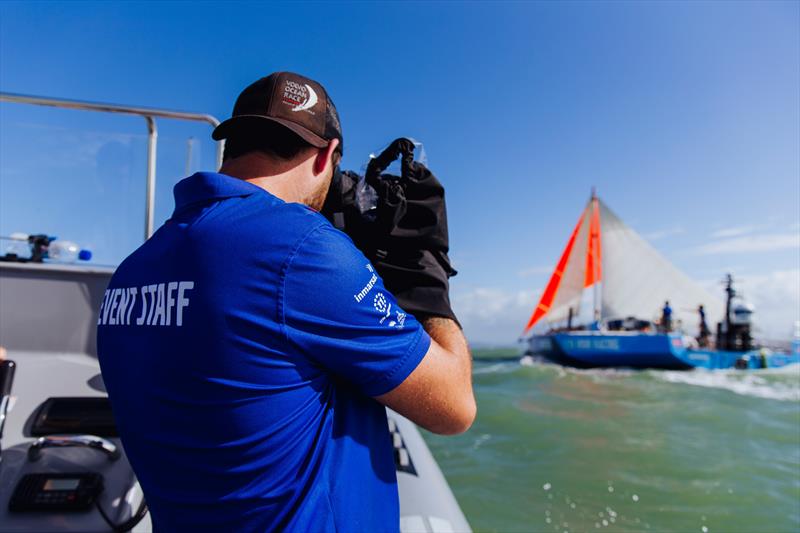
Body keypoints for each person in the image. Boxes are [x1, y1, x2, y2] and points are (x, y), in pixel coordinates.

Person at [96, 72, 475, 532]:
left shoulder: (133, 269)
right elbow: (455, 407)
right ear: (329, 157)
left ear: (229, 144)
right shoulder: (303, 249)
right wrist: (425, 274)